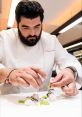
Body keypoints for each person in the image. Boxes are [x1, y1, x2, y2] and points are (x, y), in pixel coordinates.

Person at [0, 0, 82, 95]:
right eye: (25, 27)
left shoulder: (50, 40)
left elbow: (68, 60)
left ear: (41, 23)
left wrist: (70, 71)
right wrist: (8, 74)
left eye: (37, 26)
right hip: (10, 101)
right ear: (17, 25)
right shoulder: (4, 38)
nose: (32, 33)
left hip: (42, 102)